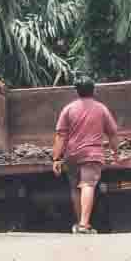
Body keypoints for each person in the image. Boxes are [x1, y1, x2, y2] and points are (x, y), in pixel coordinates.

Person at [52, 73, 120, 234]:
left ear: (77, 91)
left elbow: (61, 135)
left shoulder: (68, 109)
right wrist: (116, 151)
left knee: (76, 188)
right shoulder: (101, 109)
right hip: (92, 155)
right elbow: (112, 133)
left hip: (72, 154)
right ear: (93, 90)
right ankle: (84, 225)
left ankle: (80, 223)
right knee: (87, 185)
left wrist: (56, 158)